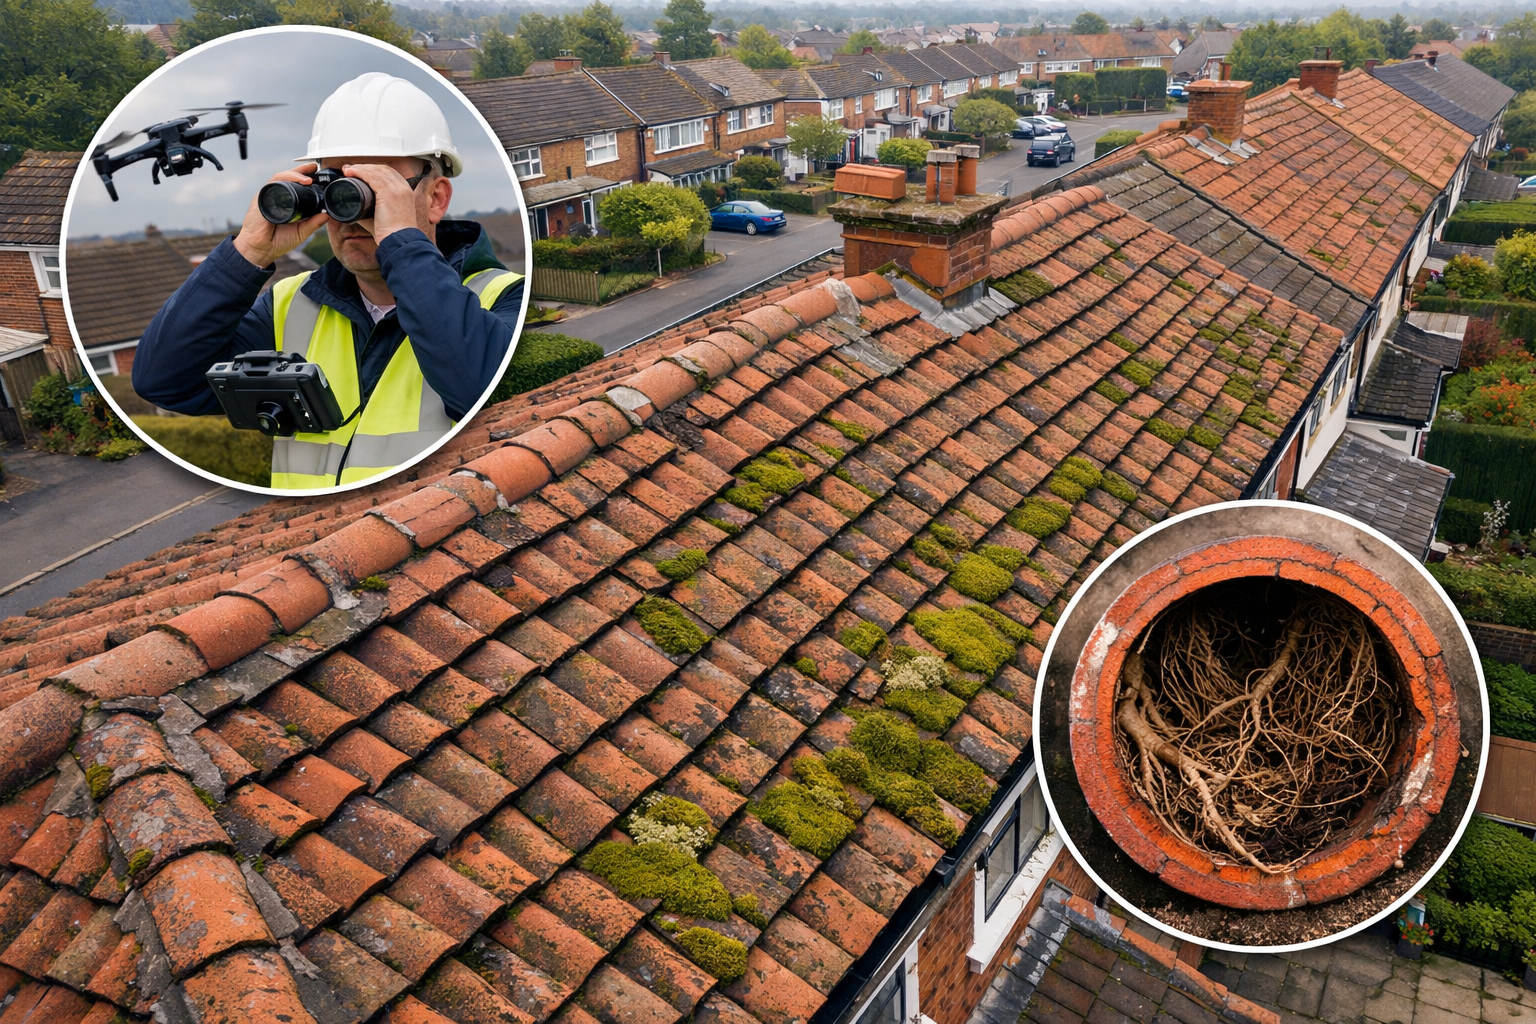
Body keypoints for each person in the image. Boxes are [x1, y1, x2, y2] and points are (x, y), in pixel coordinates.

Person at [134, 72, 524, 490]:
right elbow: (165, 382)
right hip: (304, 540)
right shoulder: (290, 305)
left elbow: (483, 395)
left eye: (374, 188)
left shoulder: (502, 298)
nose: (351, 213)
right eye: (336, 187)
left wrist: (399, 242)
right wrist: (247, 251)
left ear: (435, 198)